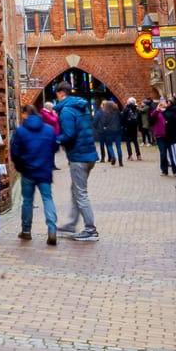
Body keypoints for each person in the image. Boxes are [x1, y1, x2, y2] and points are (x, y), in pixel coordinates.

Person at [52, 80, 100, 241]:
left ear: (60, 94)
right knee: (76, 190)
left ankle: (90, 229)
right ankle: (72, 223)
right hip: (89, 154)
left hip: (79, 157)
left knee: (80, 193)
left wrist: (55, 140)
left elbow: (69, 134)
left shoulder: (66, 111)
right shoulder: (81, 107)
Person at [9, 102, 59, 244]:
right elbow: (54, 147)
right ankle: (52, 230)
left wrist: (20, 167)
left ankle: (26, 231)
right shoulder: (48, 130)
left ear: (25, 114)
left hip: (28, 171)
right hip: (44, 170)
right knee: (48, 199)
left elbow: (15, 152)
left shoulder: (20, 131)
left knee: (27, 201)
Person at [95, 99, 123, 166]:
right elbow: (121, 119)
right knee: (118, 146)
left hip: (109, 131)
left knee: (109, 145)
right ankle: (120, 161)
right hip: (117, 130)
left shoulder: (106, 113)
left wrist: (105, 127)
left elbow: (104, 122)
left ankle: (113, 156)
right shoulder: (117, 112)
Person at [154, 102, 172, 176]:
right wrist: (157, 109)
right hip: (160, 136)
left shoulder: (169, 112)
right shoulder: (157, 113)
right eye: (161, 104)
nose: (163, 106)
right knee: (163, 153)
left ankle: (175, 170)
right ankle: (164, 170)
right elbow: (152, 117)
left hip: (169, 135)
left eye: (164, 104)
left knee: (171, 153)